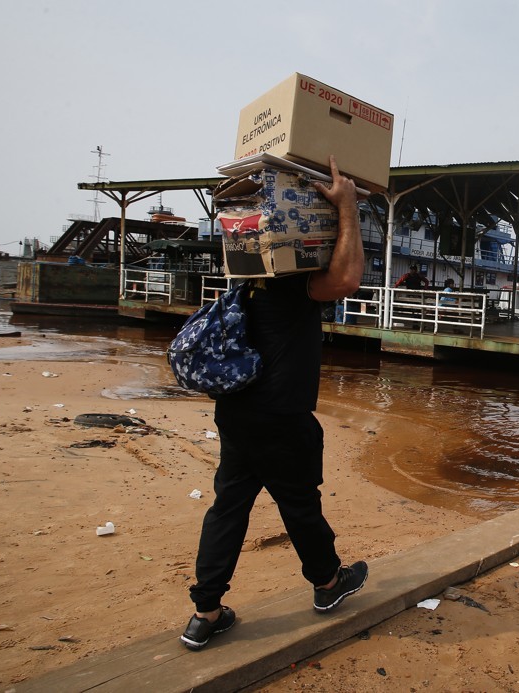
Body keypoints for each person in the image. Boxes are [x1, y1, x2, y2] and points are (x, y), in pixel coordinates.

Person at [180, 156, 368, 651]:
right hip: (281, 415)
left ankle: (205, 613)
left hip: (238, 411)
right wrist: (347, 207)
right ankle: (328, 585)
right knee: (301, 504)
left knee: (229, 507)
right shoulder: (293, 279)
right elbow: (347, 279)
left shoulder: (250, 274)